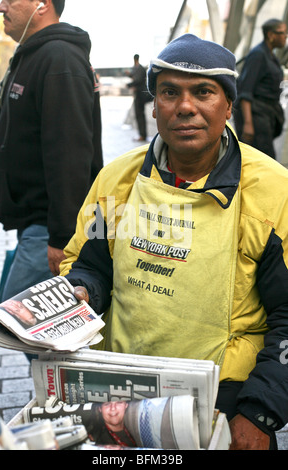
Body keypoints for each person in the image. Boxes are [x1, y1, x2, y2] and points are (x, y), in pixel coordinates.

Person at [60, 34, 288, 450]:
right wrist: (82, 291)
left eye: (203, 92)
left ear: (228, 106)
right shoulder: (117, 181)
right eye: (169, 92)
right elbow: (91, 265)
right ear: (154, 105)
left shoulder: (273, 191)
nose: (185, 107)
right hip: (126, 393)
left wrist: (259, 414)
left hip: (227, 398)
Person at [0, 0, 103, 302]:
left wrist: (61, 237)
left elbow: (70, 153)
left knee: (20, 326)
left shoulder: (59, 58)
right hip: (33, 223)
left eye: (10, 0)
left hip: (48, 227)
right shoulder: (33, 54)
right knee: (24, 325)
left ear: (42, 5)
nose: (1, 7)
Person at [234, 18, 287, 159]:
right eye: (282, 33)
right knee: (262, 160)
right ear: (270, 35)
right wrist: (248, 124)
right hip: (255, 116)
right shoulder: (258, 55)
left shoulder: (271, 55)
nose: (285, 36)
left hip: (265, 116)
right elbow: (245, 91)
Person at [127, 54, 150, 142]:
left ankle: (143, 135)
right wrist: (129, 75)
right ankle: (142, 134)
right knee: (139, 115)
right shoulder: (136, 68)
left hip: (140, 95)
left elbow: (138, 80)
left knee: (139, 115)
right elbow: (134, 77)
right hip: (138, 94)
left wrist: (129, 85)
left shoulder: (139, 68)